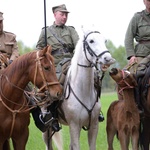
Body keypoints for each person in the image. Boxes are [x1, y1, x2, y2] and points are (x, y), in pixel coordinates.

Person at [32, 4, 104, 133]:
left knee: (95, 77)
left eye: (66, 15)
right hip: (55, 65)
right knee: (56, 84)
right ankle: (52, 114)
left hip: (71, 62)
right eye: (62, 14)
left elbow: (79, 46)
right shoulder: (46, 31)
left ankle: (96, 110)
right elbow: (39, 49)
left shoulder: (71, 30)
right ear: (55, 15)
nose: (65, 17)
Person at [119, 0, 150, 115]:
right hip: (141, 54)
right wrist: (132, 55)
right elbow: (128, 38)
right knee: (132, 75)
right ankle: (136, 104)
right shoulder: (137, 17)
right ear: (144, 1)